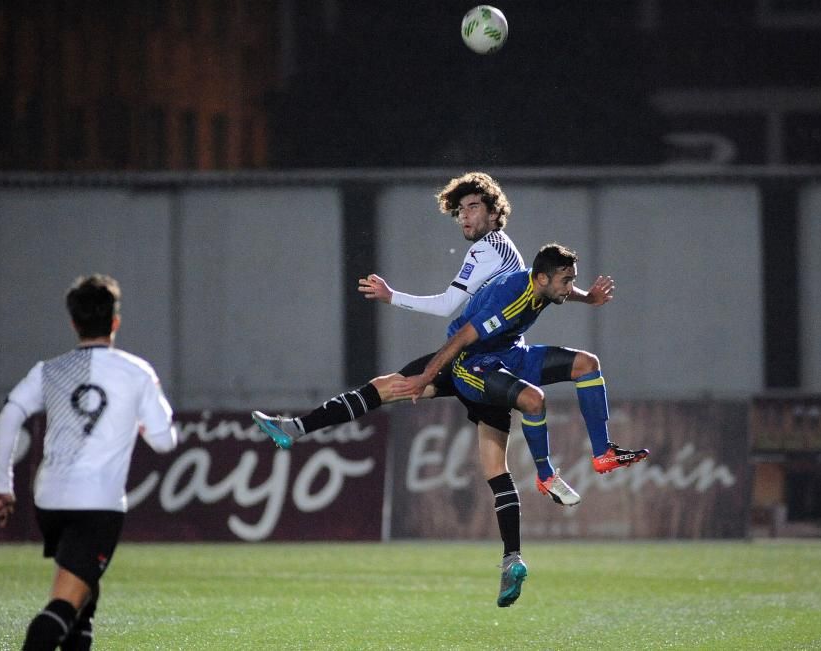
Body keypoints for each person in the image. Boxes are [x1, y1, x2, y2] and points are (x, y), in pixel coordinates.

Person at [253, 172, 596, 607]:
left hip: (468, 362)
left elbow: (448, 305)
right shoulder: (516, 259)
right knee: (495, 467)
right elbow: (556, 288)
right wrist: (590, 298)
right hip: (498, 364)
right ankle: (513, 558)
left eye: (474, 207)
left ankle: (295, 429)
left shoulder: (487, 248)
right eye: (460, 210)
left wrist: (392, 295)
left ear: (494, 213)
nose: (464, 216)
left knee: (386, 389)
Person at [0, 274, 178, 651]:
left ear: (73, 323)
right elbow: (164, 441)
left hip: (50, 502)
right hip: (98, 505)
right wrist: (141, 423)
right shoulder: (136, 372)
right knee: (63, 605)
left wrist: (1, 484)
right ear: (116, 322)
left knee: (84, 598)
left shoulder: (49, 370)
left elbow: (9, 416)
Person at [394, 243, 650, 496]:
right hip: (472, 363)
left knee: (587, 364)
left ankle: (602, 453)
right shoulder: (509, 300)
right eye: (566, 280)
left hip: (511, 354)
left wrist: (588, 298)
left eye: (572, 279)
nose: (569, 287)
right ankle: (547, 477)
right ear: (541, 278)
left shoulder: (543, 283)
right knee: (533, 399)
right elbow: (461, 337)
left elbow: (562, 290)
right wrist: (426, 377)